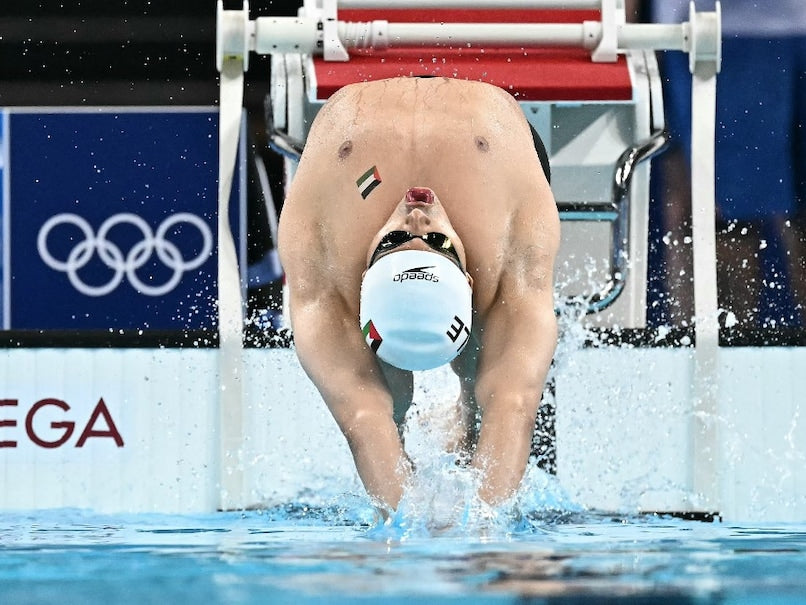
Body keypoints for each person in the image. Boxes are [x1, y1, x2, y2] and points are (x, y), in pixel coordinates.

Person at [277, 76, 560, 516]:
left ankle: (457, 412)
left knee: (477, 377)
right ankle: (436, 408)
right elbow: (366, 422)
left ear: (365, 276)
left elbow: (514, 404)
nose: (416, 219)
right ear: (466, 281)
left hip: (361, 146)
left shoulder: (327, 262)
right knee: (480, 358)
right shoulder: (501, 254)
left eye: (393, 241)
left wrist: (474, 530)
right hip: (490, 140)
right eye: (439, 244)